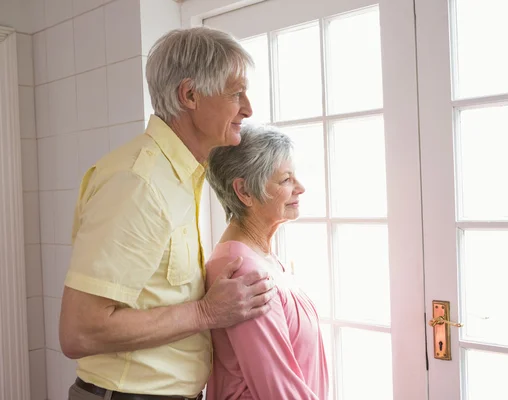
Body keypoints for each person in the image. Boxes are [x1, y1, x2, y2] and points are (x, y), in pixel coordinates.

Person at [58, 27, 277, 400]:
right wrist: (207, 313)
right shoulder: (138, 182)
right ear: (189, 95)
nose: (248, 108)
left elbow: (152, 288)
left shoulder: (180, 174)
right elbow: (79, 331)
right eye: (235, 92)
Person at [204, 124, 329, 399]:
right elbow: (278, 392)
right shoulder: (243, 273)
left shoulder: (262, 258)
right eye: (286, 180)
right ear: (245, 191)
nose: (301, 188)